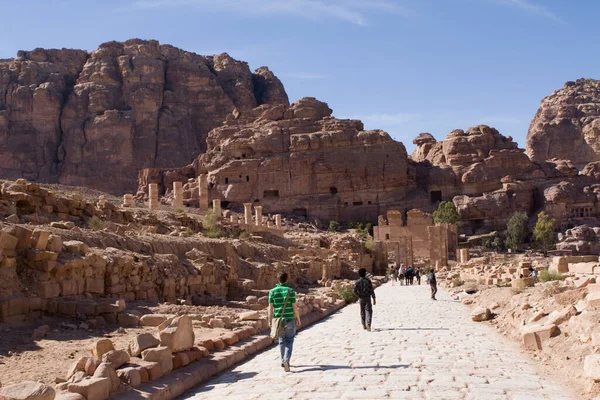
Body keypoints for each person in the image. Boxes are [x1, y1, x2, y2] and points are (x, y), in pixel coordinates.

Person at [268, 272, 302, 372]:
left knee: (281, 341)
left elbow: (270, 308)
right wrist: (298, 319)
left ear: (278, 279)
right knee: (290, 340)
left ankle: (283, 360)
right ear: (287, 279)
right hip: (290, 319)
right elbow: (294, 307)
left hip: (278, 320)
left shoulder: (272, 291)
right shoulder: (290, 291)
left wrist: (270, 320)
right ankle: (286, 360)